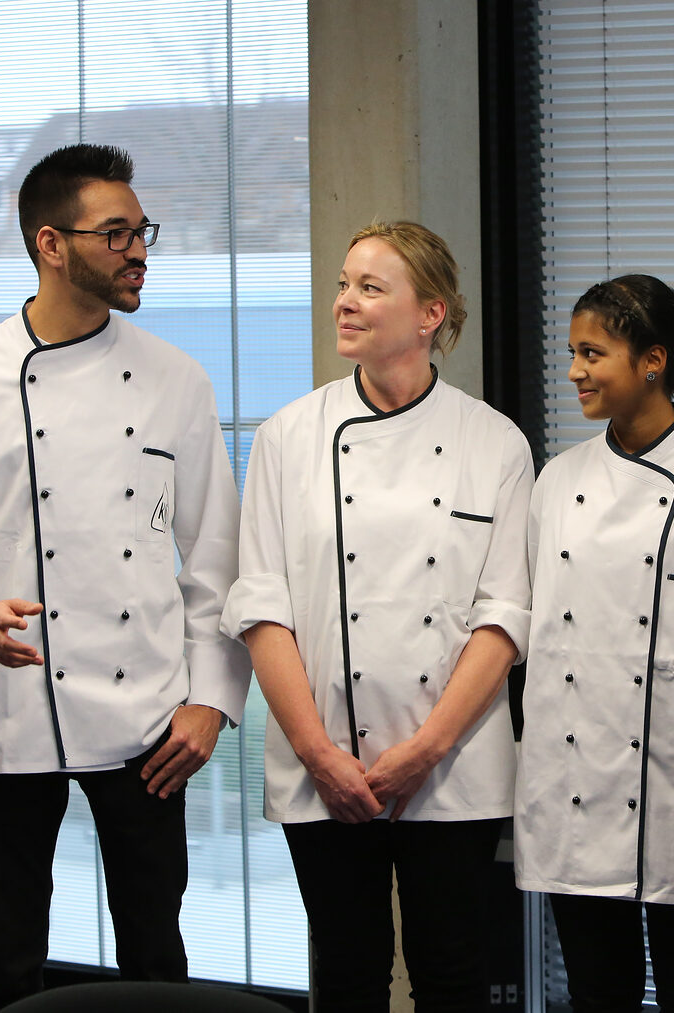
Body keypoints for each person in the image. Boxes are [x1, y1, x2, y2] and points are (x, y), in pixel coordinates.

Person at [0, 144, 250, 1011]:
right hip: (16, 705)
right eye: (115, 233)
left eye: (140, 230)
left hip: (149, 716)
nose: (139, 250)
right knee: (7, 960)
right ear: (51, 243)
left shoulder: (176, 379)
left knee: (158, 952)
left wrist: (212, 701)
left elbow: (217, 561)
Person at [220, 221, 533, 1010]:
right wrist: (317, 752)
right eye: (342, 284)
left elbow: (504, 618)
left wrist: (426, 748)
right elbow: (262, 606)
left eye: (370, 287)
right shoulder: (288, 436)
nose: (345, 303)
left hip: (452, 767)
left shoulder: (492, 442)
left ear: (431, 314)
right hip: (322, 765)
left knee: (451, 975)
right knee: (348, 975)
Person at [514, 275, 674, 1012]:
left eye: (593, 352)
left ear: (653, 359)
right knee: (598, 995)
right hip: (573, 790)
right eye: (571, 352)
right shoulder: (557, 483)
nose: (574, 371)